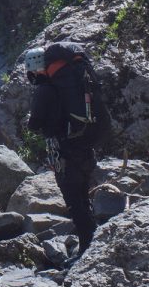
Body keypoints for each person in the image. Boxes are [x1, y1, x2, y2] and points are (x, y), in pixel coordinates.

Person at [25, 41, 109, 254]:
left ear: (34, 70)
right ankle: (94, 242)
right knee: (83, 196)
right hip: (84, 146)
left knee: (75, 203)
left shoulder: (44, 91)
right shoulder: (70, 85)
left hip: (65, 153)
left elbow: (34, 124)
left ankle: (86, 251)